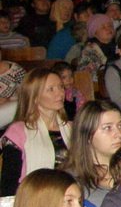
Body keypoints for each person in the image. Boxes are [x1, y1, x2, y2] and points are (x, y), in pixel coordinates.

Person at [61, 100, 121, 207]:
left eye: (120, 126)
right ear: (88, 135)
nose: (118, 134)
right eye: (108, 128)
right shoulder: (69, 180)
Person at [0, 68, 72, 196]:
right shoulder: (18, 132)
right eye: (51, 89)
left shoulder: (72, 129)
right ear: (34, 97)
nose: (60, 93)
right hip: (33, 198)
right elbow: (9, 184)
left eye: (61, 87)